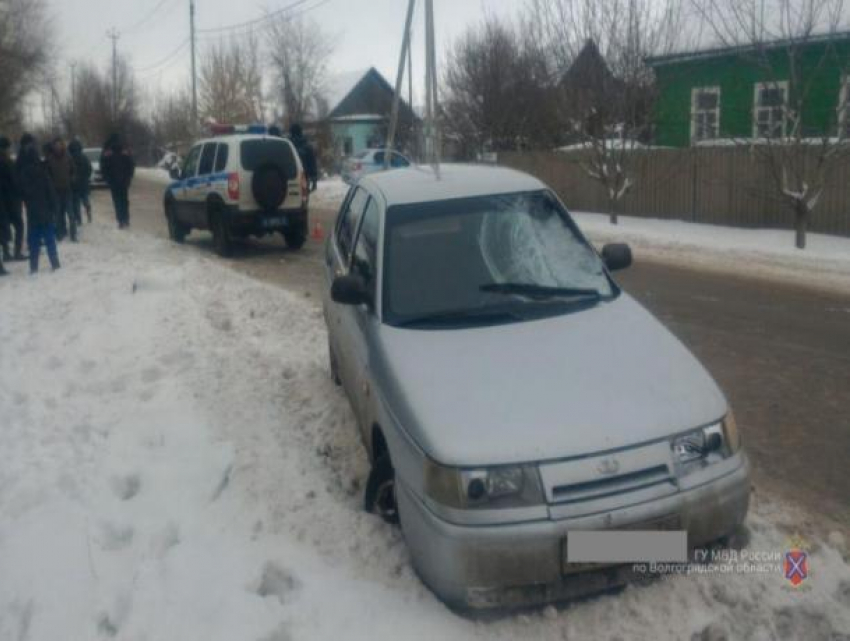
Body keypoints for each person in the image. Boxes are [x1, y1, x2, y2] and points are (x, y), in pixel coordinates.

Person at [17, 135, 60, 273]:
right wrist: (54, 207)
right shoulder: (42, 172)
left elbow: (21, 193)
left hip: (32, 212)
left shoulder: (23, 174)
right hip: (45, 210)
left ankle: (33, 266)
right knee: (49, 240)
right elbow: (50, 191)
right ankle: (54, 263)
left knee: (34, 241)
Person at [100, 133, 135, 229]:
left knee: (117, 201)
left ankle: (121, 220)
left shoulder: (107, 151)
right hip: (124, 180)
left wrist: (107, 179)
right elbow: (131, 165)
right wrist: (129, 177)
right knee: (124, 200)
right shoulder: (124, 150)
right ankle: (126, 219)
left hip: (113, 181)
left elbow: (103, 167)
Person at [0, 136, 25, 262]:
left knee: (4, 228)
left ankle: (5, 253)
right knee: (19, 226)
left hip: (2, 202)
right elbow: (14, 182)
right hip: (11, 200)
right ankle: (16, 252)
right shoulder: (8, 162)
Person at [46, 138, 76, 242]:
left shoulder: (68, 157)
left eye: (60, 145)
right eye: (56, 145)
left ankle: (73, 235)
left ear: (63, 146)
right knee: (58, 214)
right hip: (56, 191)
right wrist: (51, 185)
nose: (58, 147)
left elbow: (73, 170)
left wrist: (72, 179)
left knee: (71, 214)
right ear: (54, 147)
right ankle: (60, 233)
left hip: (67, 189)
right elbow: (47, 174)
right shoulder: (50, 159)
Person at [288, 123, 318, 193]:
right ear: (301, 132)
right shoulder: (307, 147)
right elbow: (312, 164)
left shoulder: (287, 146)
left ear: (291, 133)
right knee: (303, 200)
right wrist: (314, 181)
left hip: (288, 179)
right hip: (304, 178)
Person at [69, 140, 93, 223]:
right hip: (84, 182)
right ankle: (88, 209)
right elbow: (89, 169)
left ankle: (78, 219)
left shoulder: (69, 157)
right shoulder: (84, 157)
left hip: (74, 184)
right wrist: (86, 177)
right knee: (85, 198)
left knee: (76, 202)